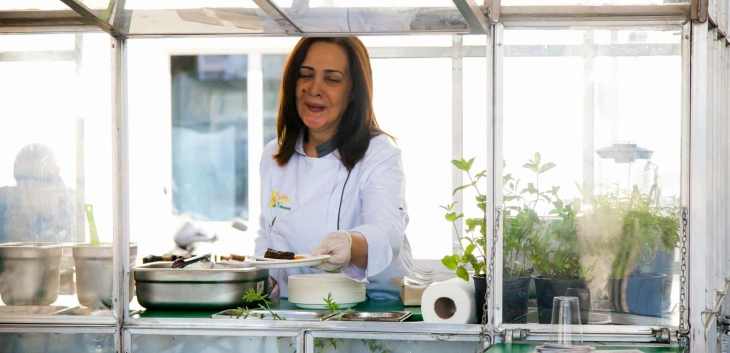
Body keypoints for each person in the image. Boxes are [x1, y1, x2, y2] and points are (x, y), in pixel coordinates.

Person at [255, 37, 412, 300]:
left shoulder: (378, 154)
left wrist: (350, 244)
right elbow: (268, 234)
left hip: (365, 311)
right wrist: (261, 282)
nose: (314, 89)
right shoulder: (274, 154)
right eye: (305, 75)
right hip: (294, 311)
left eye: (332, 79)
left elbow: (388, 230)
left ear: (353, 92)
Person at [0, 144, 75, 244]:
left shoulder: (67, 209)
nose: (60, 185)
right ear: (27, 184)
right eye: (51, 178)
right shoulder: (4, 211)